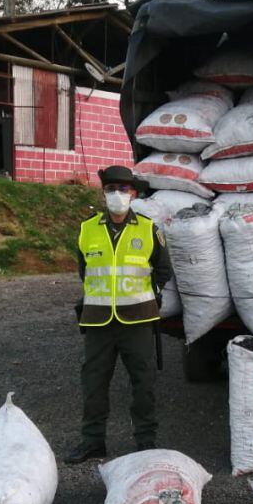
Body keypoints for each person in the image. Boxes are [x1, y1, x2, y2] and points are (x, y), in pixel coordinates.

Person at [64, 165, 172, 464]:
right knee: (94, 383)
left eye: (123, 190)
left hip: (137, 319)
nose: (116, 195)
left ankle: (145, 441)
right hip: (98, 319)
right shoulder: (88, 229)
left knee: (143, 382)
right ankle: (92, 441)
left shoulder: (148, 229)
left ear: (133, 194)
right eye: (111, 189)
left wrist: (150, 294)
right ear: (104, 193)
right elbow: (84, 270)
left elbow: (163, 270)